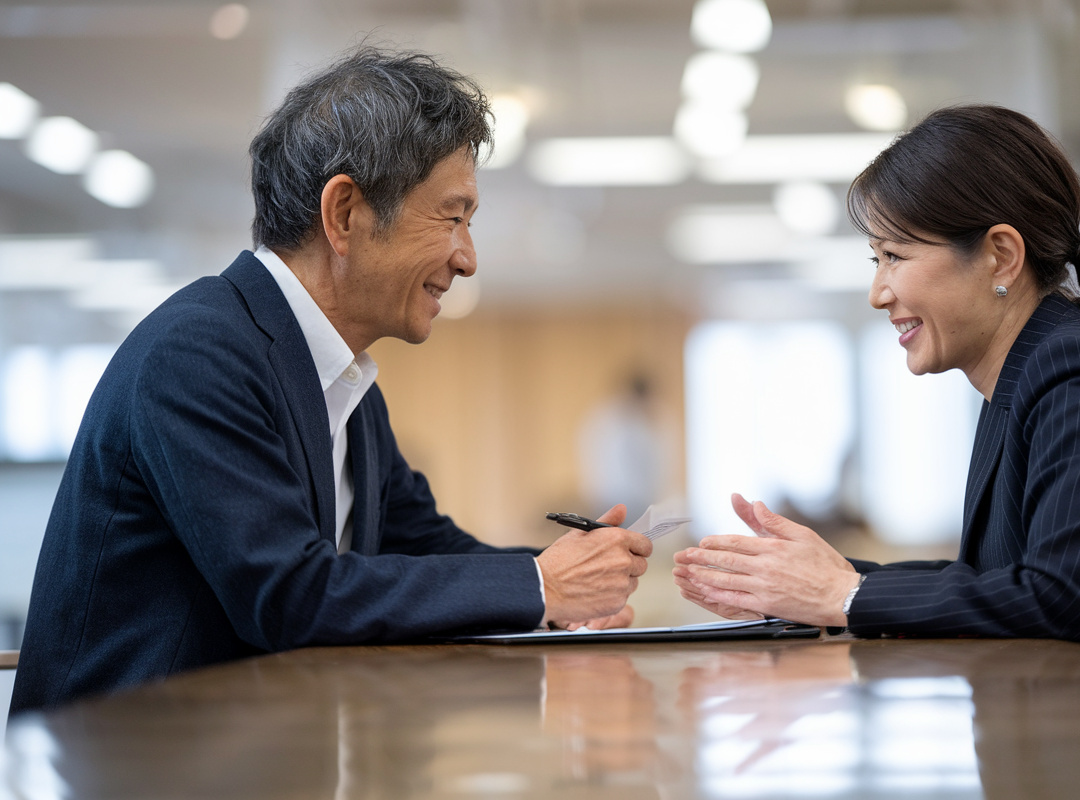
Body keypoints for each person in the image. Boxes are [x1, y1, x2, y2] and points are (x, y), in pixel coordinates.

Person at [10, 47, 652, 715]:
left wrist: (562, 588)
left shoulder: (344, 383)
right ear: (345, 213)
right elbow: (287, 595)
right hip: (129, 766)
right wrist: (540, 585)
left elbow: (423, 546)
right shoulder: (197, 355)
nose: (467, 257)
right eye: (452, 216)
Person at [674, 104, 1080, 673]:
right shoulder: (1024, 373)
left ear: (1001, 256)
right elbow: (993, 576)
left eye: (895, 256)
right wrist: (809, 582)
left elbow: (1058, 597)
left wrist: (845, 594)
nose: (879, 292)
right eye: (874, 259)